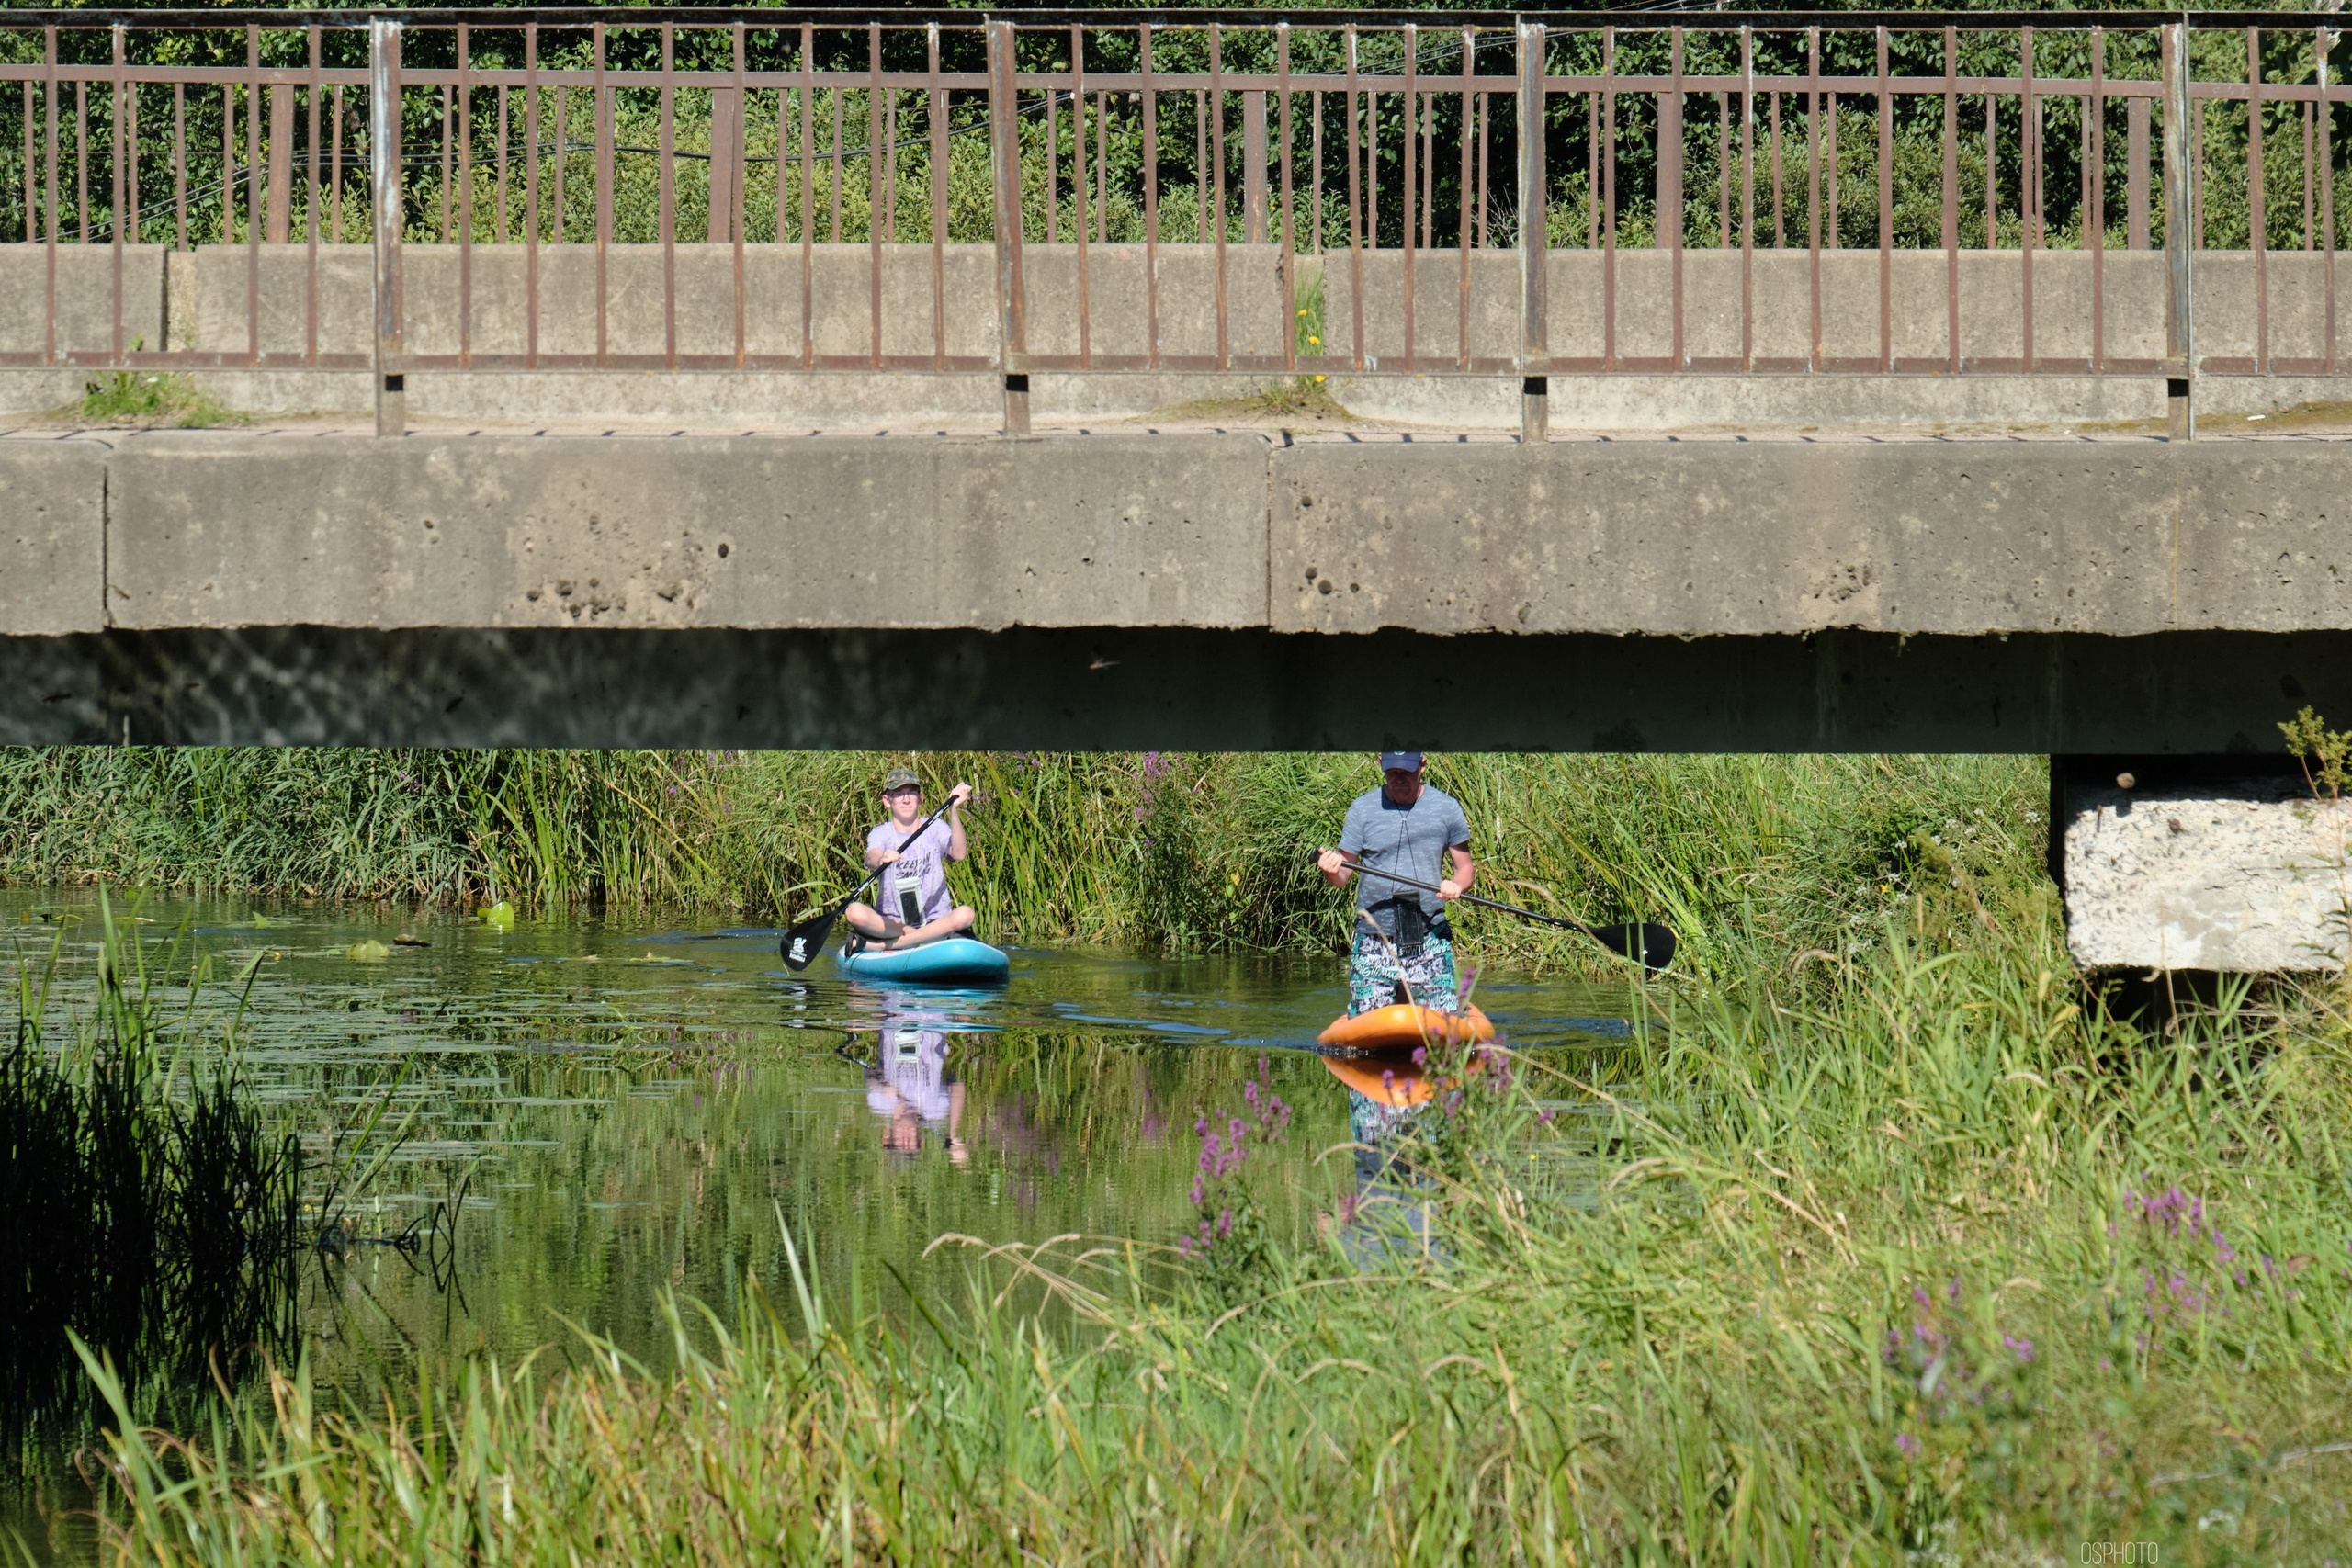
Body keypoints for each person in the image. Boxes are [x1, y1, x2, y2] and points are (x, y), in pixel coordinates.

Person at [1315, 751, 1476, 1016]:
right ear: (1380, 764)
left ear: (1423, 765)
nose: (1399, 779)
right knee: (1366, 1023)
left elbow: (1465, 869)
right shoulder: (1362, 809)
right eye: (1392, 772)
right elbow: (1341, 877)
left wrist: (1456, 885)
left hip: (1428, 932)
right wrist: (1330, 869)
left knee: (1445, 1021)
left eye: (1407, 772)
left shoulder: (1446, 808)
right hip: (1374, 936)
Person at [844, 766, 977, 952]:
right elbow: (872, 858)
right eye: (898, 794)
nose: (906, 799)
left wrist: (954, 811)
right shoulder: (881, 833)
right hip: (893, 925)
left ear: (920, 798)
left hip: (935, 922)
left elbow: (959, 854)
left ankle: (880, 946)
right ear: (887, 801)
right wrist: (882, 858)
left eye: (911, 793)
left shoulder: (936, 826)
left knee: (966, 914)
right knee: (853, 912)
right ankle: (910, 937)